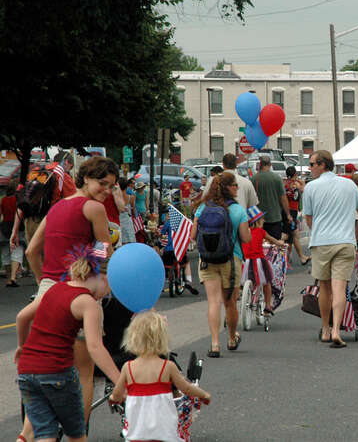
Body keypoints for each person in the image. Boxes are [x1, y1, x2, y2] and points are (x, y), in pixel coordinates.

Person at [22, 156, 118, 441]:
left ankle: (30, 433)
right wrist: (102, 276)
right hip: (79, 289)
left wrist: (45, 283)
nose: (107, 191)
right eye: (103, 183)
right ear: (86, 178)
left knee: (45, 366)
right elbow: (104, 253)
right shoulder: (94, 208)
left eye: (112, 186)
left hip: (49, 290)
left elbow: (30, 252)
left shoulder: (57, 207)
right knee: (84, 371)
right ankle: (79, 434)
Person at [15, 247, 120, 442]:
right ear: (102, 278)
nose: (105, 295)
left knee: (38, 433)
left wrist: (22, 347)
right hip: (56, 372)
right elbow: (95, 347)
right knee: (76, 434)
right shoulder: (88, 303)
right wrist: (120, 381)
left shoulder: (54, 289)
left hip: (27, 370)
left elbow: (22, 317)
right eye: (108, 289)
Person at [110, 310, 211, 442]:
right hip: (164, 431)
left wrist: (113, 398)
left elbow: (117, 394)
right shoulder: (167, 367)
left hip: (137, 432)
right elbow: (186, 388)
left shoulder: (128, 368)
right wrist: (203, 395)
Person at [303, 150, 358, 348]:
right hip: (345, 241)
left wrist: (318, 231)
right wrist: (356, 233)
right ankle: (337, 330)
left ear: (323, 165)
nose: (310, 168)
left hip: (322, 242)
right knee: (339, 288)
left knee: (324, 287)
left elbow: (308, 218)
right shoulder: (349, 184)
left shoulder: (311, 188)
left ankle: (325, 328)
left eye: (312, 164)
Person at [191, 171, 251, 357]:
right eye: (234, 185)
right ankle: (232, 338)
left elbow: (193, 236)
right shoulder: (238, 210)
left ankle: (215, 343)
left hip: (207, 259)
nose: (237, 188)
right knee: (230, 302)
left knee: (213, 302)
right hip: (231, 259)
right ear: (227, 188)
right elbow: (245, 238)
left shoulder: (203, 208)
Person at [10, 152, 76, 253]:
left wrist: (14, 231)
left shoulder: (35, 173)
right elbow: (74, 204)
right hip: (51, 225)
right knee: (52, 263)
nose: (68, 171)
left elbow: (23, 203)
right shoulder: (63, 177)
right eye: (70, 168)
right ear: (66, 162)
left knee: (35, 259)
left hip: (30, 223)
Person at [241, 206, 286, 314]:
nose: (264, 220)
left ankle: (244, 295)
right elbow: (274, 241)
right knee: (267, 282)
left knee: (245, 280)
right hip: (259, 262)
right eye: (262, 218)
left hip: (246, 262)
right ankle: (268, 305)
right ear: (258, 221)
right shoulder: (261, 232)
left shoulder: (244, 232)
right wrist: (280, 243)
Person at [252, 155, 292, 249]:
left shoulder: (254, 178)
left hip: (259, 219)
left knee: (260, 245)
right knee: (275, 246)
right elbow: (283, 198)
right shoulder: (276, 178)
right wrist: (288, 214)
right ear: (270, 164)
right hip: (274, 218)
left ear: (260, 164)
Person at [285, 166, 311, 265]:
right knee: (290, 236)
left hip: (289, 210)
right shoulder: (295, 184)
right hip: (292, 211)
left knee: (294, 235)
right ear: (295, 174)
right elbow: (304, 189)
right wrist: (302, 182)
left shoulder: (286, 183)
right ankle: (288, 258)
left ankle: (301, 257)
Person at [1, 184, 23, 287]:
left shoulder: (3, 200)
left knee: (6, 250)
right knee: (17, 249)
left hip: (5, 226)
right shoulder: (17, 200)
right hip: (16, 225)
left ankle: (9, 277)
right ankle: (13, 277)